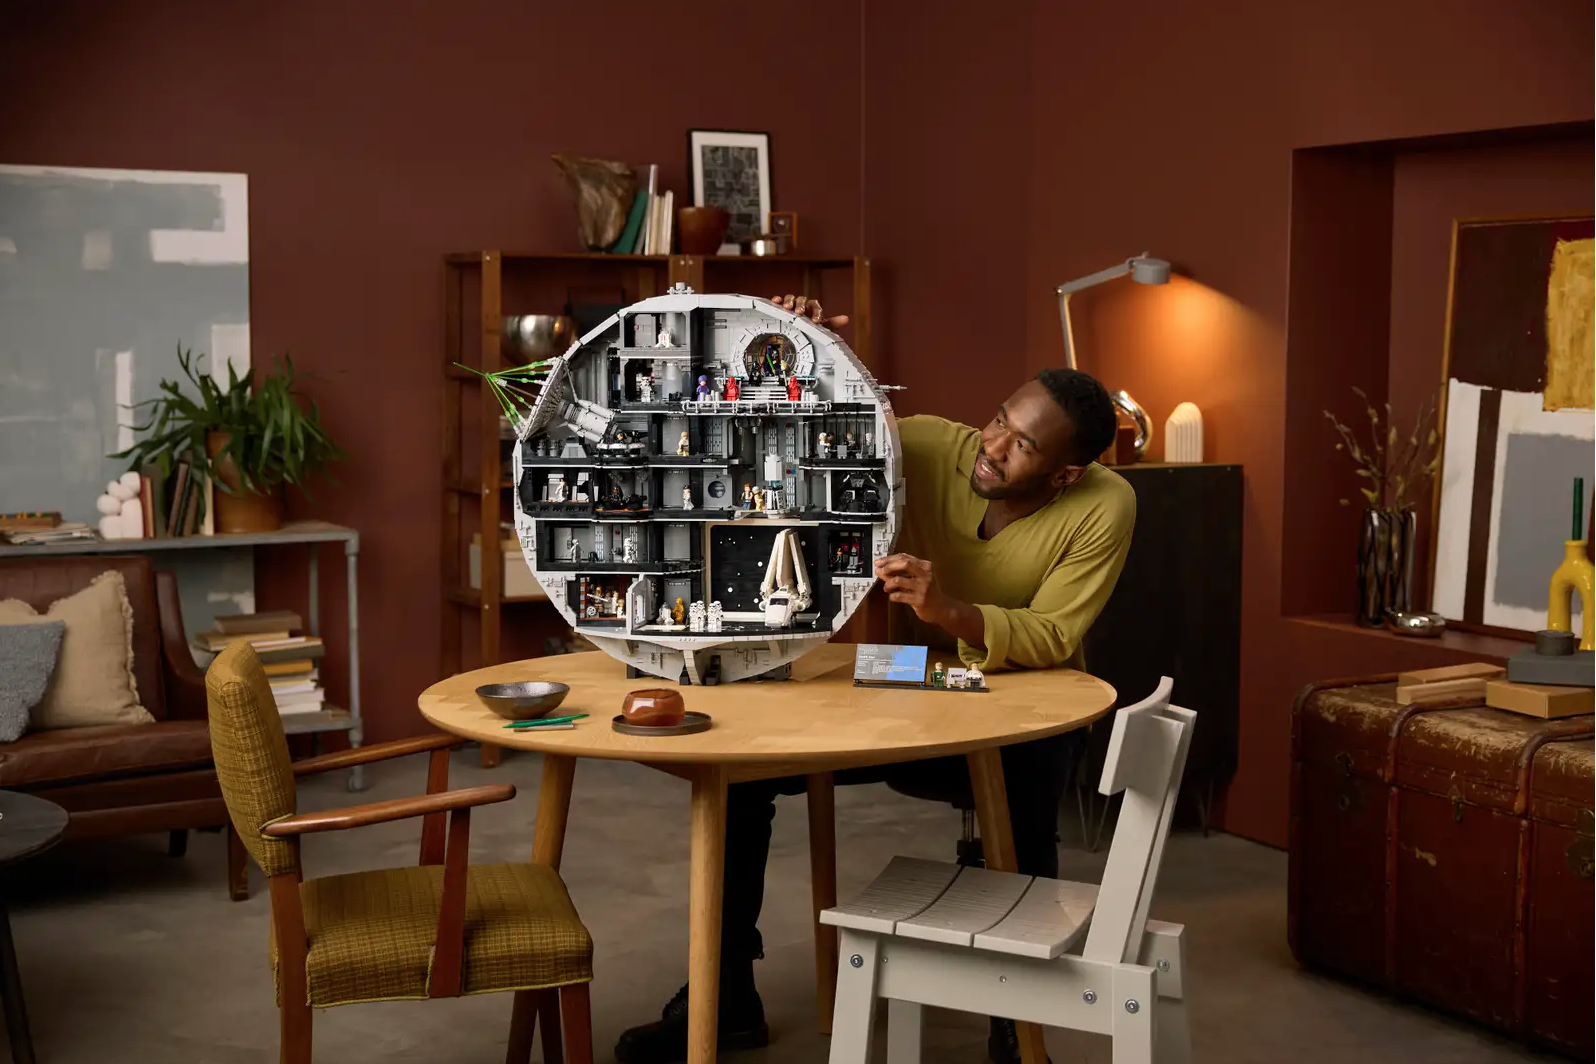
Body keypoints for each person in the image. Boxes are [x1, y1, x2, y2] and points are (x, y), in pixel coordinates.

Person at [615, 295, 1135, 1064]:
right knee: (741, 777)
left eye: (1022, 446)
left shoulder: (1106, 505)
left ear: (1066, 473)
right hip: (909, 693)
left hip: (1022, 713)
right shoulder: (927, 445)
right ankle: (724, 999)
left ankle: (1015, 1030)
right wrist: (804, 347)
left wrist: (947, 609)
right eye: (998, 419)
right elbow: (812, 432)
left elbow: (1056, 635)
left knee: (1030, 782)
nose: (992, 447)